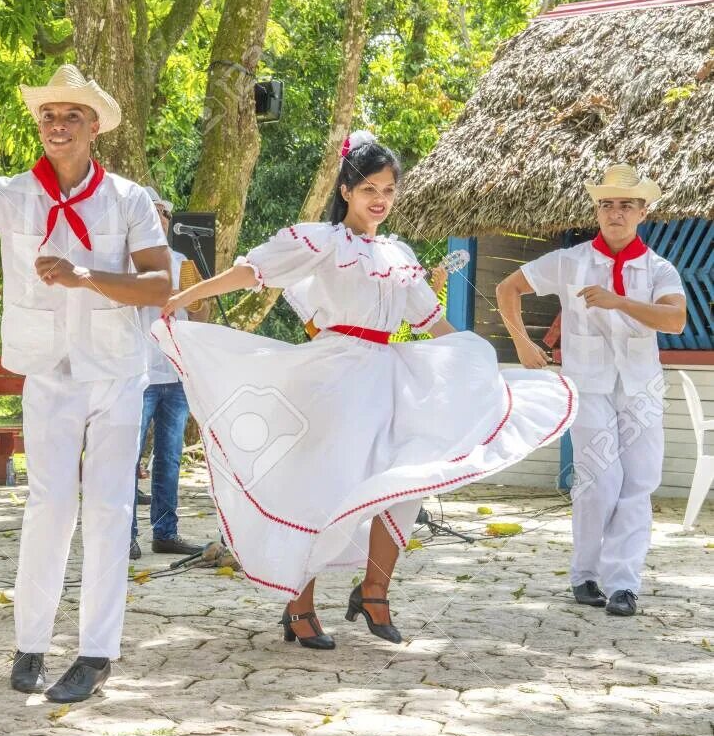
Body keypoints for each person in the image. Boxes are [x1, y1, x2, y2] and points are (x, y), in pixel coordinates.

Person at [157, 131, 576, 649]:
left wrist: (476, 361)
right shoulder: (323, 241)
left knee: (404, 484)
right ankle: (299, 607)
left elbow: (428, 320)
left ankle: (375, 591)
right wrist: (189, 294)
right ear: (347, 191)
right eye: (369, 188)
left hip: (388, 376)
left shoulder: (397, 252)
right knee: (316, 487)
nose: (380, 199)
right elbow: (253, 272)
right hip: (333, 375)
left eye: (389, 190)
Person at [0, 64, 171, 702]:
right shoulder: (8, 193)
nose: (57, 125)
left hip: (115, 372)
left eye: (71, 116)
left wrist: (87, 277)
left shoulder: (129, 200)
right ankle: (30, 644)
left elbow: (161, 286)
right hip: (48, 373)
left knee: (109, 510)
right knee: (48, 506)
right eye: (49, 115)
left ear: (93, 129)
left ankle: (96, 651)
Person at [496, 164, 686, 617]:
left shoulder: (659, 269)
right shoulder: (570, 261)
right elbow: (507, 288)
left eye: (625, 205)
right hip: (588, 385)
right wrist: (522, 343)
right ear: (597, 211)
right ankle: (584, 573)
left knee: (637, 484)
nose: (615, 213)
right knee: (601, 481)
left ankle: (624, 584)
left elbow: (675, 321)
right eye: (606, 205)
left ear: (643, 211)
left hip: (641, 388)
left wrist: (619, 301)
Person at [130, 186, 208, 559]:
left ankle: (165, 531)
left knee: (170, 456)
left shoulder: (184, 262)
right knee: (126, 455)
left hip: (174, 374)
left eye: (160, 212)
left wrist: (198, 297)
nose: (156, 219)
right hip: (137, 372)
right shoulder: (123, 265)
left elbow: (199, 315)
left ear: (168, 219)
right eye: (148, 212)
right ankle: (123, 533)